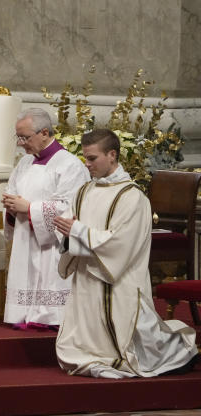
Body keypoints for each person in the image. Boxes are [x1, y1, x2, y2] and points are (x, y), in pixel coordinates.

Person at [53, 129, 198, 378]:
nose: (86, 165)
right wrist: (67, 236)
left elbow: (120, 245)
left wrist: (77, 231)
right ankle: (95, 355)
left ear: (112, 155)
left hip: (118, 281)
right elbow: (71, 228)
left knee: (138, 341)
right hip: (88, 277)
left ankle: (178, 350)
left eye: (92, 158)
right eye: (85, 158)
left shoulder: (133, 198)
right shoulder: (83, 191)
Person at [2, 108, 89, 329]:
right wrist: (11, 208)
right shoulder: (24, 163)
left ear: (44, 133)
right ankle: (24, 312)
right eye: (18, 137)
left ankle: (50, 315)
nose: (21, 143)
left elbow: (70, 208)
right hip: (25, 235)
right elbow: (12, 191)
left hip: (51, 245)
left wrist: (30, 208)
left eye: (25, 137)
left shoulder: (70, 165)